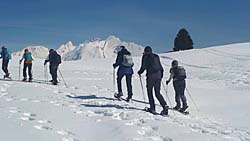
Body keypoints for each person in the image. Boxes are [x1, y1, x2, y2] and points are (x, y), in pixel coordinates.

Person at [137, 46, 168, 116]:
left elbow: (143, 66)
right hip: (158, 75)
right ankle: (165, 106)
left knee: (150, 91)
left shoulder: (145, 56)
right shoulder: (156, 56)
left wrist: (140, 72)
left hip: (151, 76)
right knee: (157, 93)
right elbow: (160, 66)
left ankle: (152, 108)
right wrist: (161, 76)